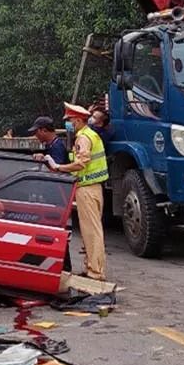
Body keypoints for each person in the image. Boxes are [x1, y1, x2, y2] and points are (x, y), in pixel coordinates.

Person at [49, 102, 109, 281]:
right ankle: (91, 268)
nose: (68, 124)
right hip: (94, 188)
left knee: (92, 232)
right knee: (92, 231)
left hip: (87, 189)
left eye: (69, 121)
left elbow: (81, 163)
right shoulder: (92, 135)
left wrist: (58, 167)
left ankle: (95, 272)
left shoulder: (83, 138)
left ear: (76, 120)